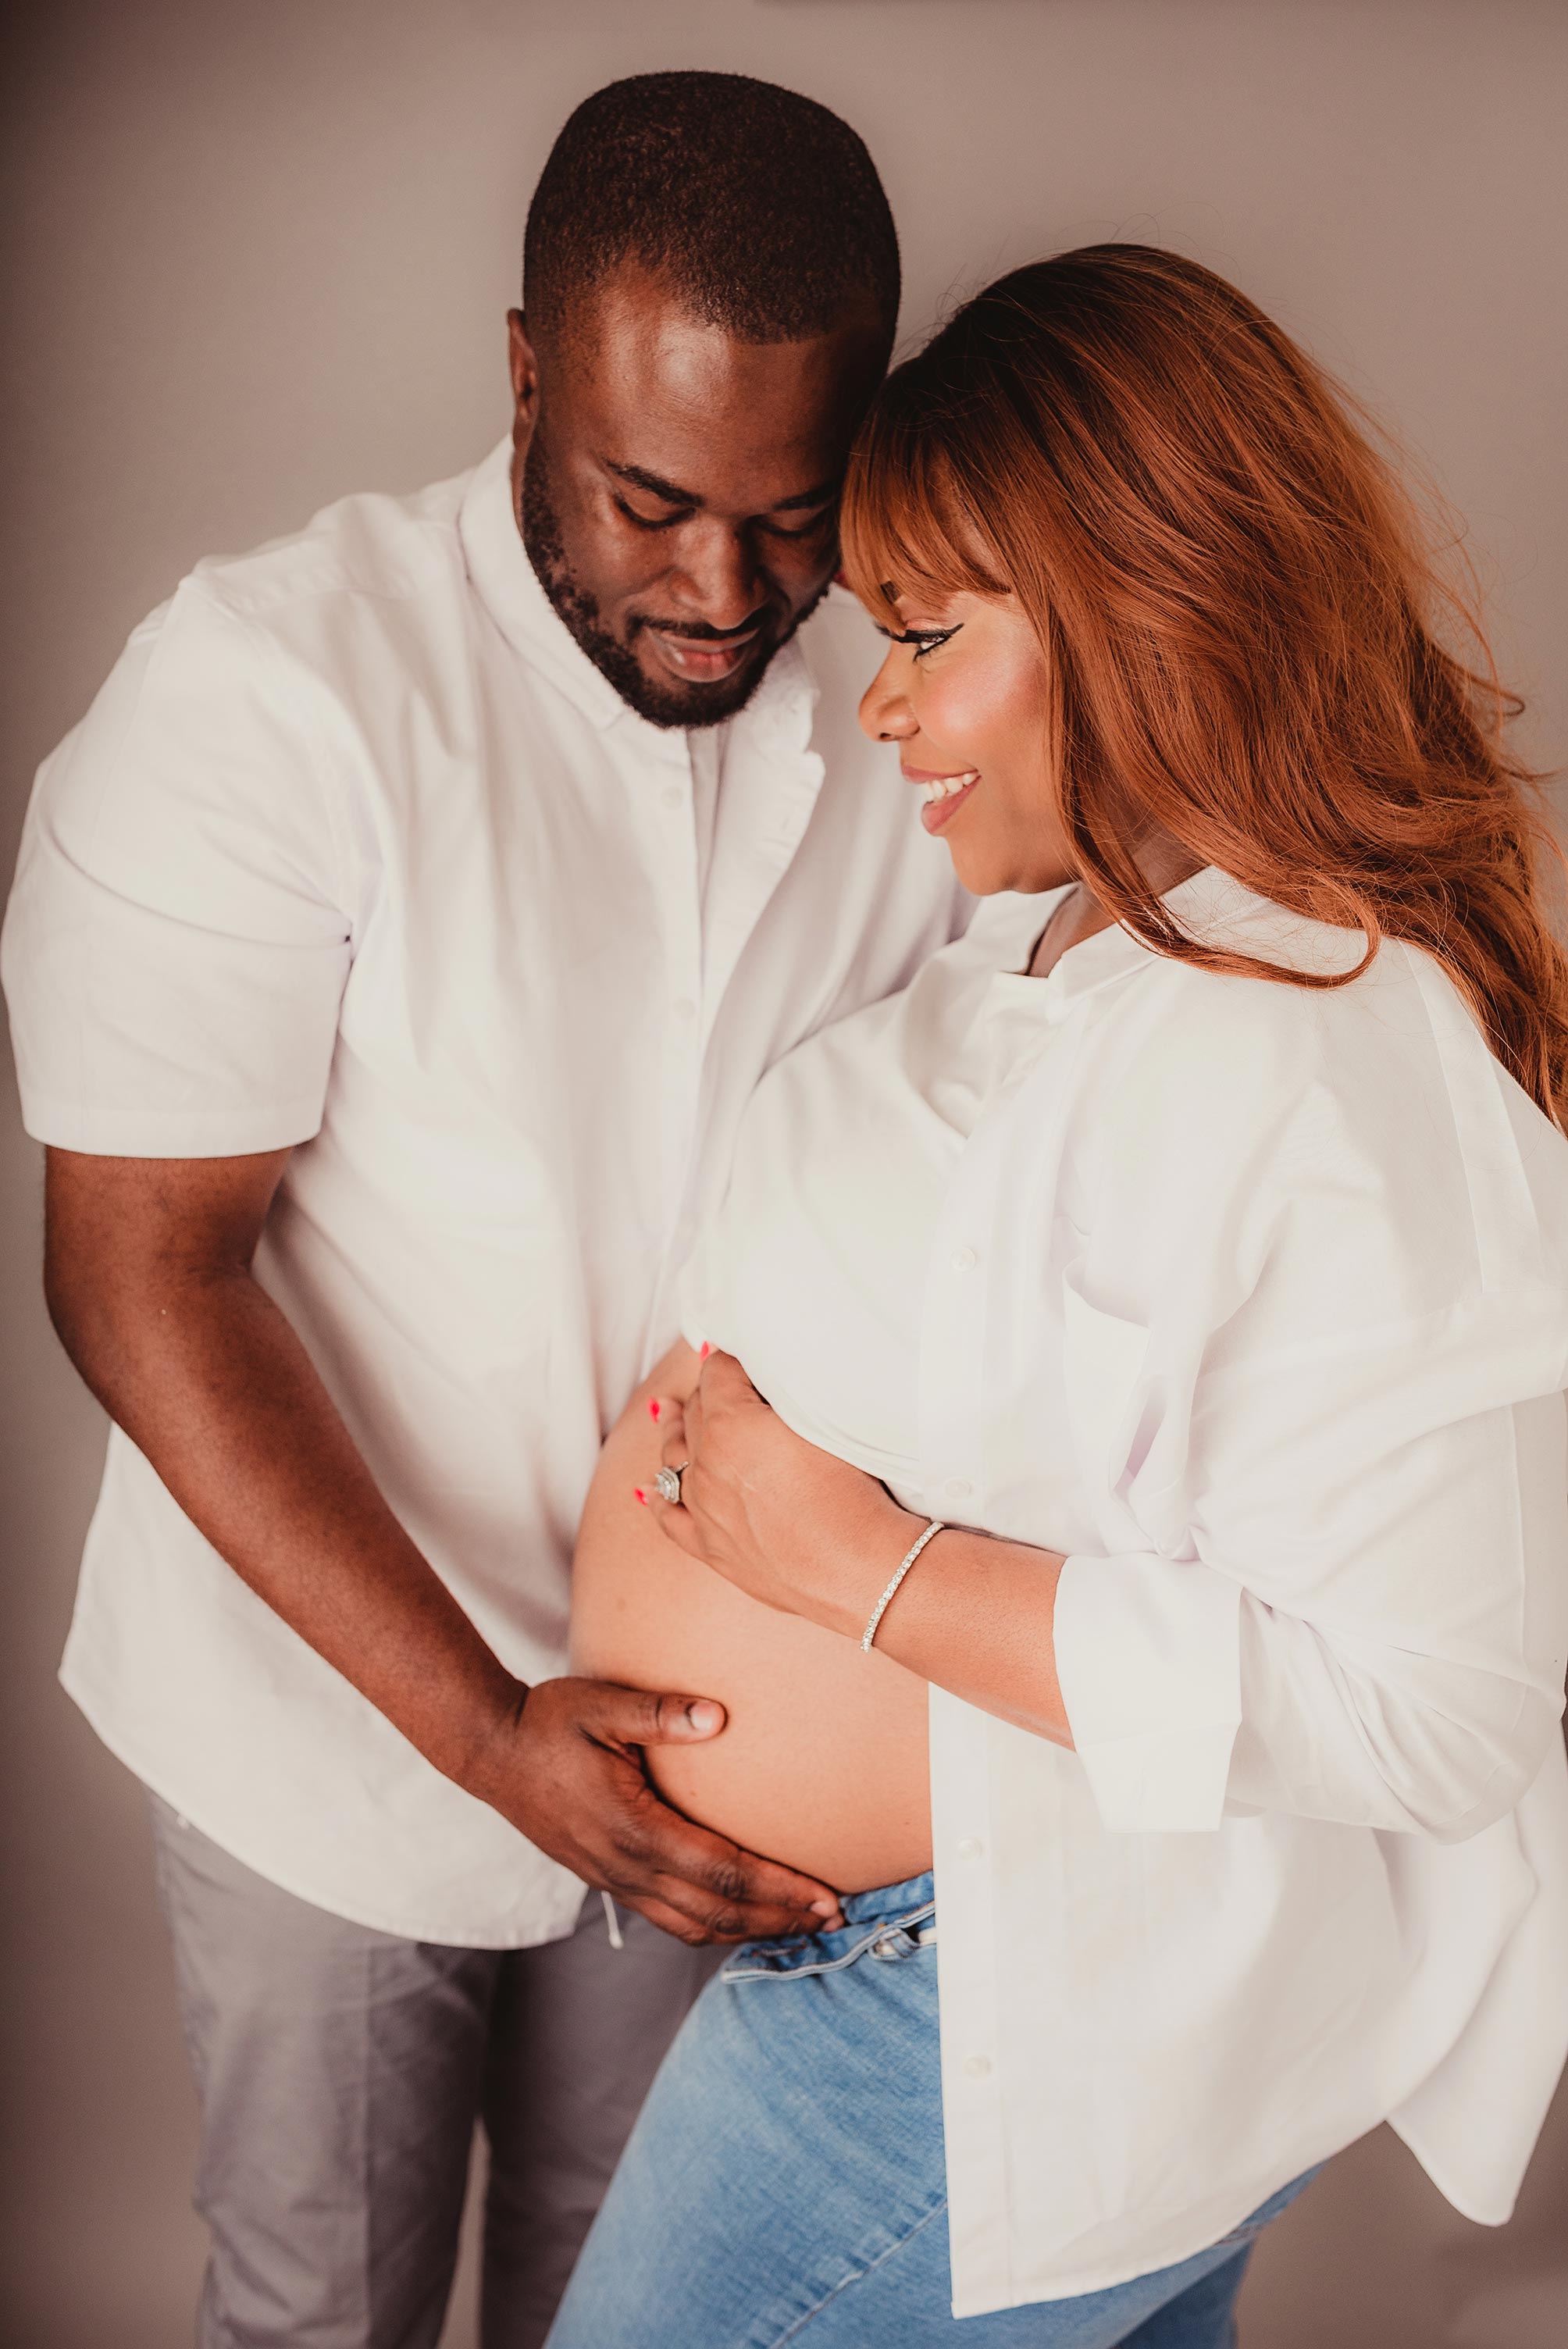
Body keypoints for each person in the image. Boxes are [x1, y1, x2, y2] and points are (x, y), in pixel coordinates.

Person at [0, 73, 971, 2349]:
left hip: (712, 1758)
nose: (724, 592)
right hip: (328, 1722)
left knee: (632, 2314)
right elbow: (142, 1269)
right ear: (527, 372)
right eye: (650, 501)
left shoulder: (911, 701)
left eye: (793, 514)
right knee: (319, 2311)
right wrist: (478, 1731)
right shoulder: (269, 693)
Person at [553, 244, 1568, 2345]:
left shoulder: (1333, 1048)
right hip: (934, 1978)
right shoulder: (1099, 949)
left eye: (928, 635)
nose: (884, 700)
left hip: (958, 2028)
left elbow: (1442, 1707)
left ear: (1150, 609)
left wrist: (853, 1563)